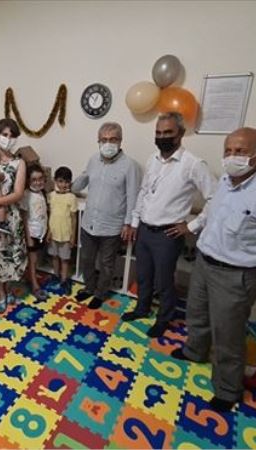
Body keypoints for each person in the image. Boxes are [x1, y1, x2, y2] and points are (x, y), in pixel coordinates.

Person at [172, 127, 256, 412]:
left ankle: (228, 389)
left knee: (228, 332)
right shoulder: (225, 183)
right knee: (197, 313)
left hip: (237, 273)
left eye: (240, 151)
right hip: (205, 261)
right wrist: (194, 228)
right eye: (228, 150)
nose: (232, 156)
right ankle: (194, 351)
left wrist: (255, 270)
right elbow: (209, 213)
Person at [124, 112, 217, 338]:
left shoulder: (193, 164)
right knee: (143, 275)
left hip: (168, 234)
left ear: (181, 134)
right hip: (145, 229)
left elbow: (216, 198)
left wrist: (192, 226)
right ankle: (142, 308)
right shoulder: (152, 159)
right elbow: (144, 193)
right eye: (158, 132)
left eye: (168, 132)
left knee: (164, 281)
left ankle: (164, 319)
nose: (162, 137)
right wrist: (135, 222)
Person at [72, 122, 141, 309]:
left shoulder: (130, 166)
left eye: (112, 139)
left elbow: (133, 196)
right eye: (103, 140)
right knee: (86, 259)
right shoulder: (93, 160)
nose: (108, 144)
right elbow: (81, 182)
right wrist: (70, 184)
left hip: (112, 226)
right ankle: (89, 287)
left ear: (120, 141)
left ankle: (101, 293)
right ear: (98, 141)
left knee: (106, 263)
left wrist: (128, 223)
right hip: (89, 222)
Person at [0, 118, 28, 313]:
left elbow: (18, 193)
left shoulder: (19, 163)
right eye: (5, 134)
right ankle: (0, 293)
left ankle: (8, 289)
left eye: (12, 136)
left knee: (10, 254)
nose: (8, 139)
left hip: (11, 216)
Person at [19, 163, 50, 301]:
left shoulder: (43, 193)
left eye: (40, 179)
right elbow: (24, 217)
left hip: (41, 232)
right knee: (33, 259)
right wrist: (28, 237)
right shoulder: (26, 195)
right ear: (28, 181)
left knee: (36, 258)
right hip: (31, 234)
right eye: (34, 180)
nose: (38, 182)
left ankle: (31, 276)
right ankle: (35, 286)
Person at [47, 166, 79, 294]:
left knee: (65, 259)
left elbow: (74, 218)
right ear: (55, 180)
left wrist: (73, 236)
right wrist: (48, 232)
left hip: (66, 235)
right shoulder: (51, 196)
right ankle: (55, 276)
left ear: (70, 182)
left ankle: (64, 280)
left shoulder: (71, 197)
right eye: (60, 181)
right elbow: (50, 215)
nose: (63, 184)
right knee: (54, 257)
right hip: (53, 233)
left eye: (66, 182)